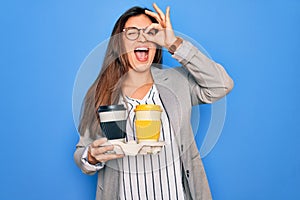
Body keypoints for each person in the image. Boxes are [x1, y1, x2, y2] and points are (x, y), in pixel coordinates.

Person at [74, 3, 233, 200]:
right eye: (132, 33)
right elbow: (82, 153)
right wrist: (91, 157)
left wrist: (174, 43)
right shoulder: (102, 93)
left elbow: (221, 84)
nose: (142, 37)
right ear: (119, 44)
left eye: (150, 32)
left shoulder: (178, 82)